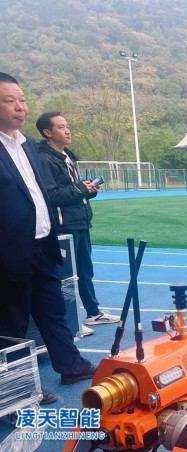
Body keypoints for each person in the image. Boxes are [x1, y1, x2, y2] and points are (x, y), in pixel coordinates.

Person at [0, 73, 96, 404]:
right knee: (12, 325)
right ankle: (19, 391)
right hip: (9, 253)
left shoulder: (27, 145)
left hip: (42, 246)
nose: (19, 106)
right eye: (9, 100)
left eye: (22, 99)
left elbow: (38, 193)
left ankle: (71, 366)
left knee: (53, 311)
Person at [36, 112, 119, 334]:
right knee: (66, 276)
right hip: (64, 226)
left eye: (67, 126)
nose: (67, 130)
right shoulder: (44, 159)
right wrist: (81, 188)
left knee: (85, 270)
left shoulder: (67, 156)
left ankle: (93, 312)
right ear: (47, 132)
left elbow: (72, 190)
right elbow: (51, 196)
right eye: (61, 127)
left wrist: (88, 189)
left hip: (80, 221)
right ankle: (69, 320)